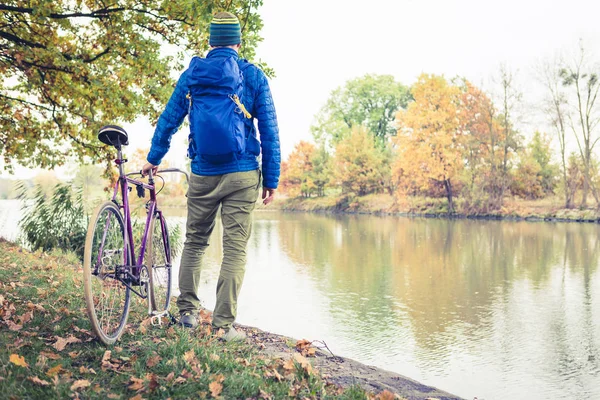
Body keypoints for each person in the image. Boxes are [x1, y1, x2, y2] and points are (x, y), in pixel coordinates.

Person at [141, 11, 280, 341]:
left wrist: (153, 158)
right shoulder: (253, 76)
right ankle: (223, 326)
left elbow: (169, 120)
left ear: (211, 41)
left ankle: (187, 314)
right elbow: (270, 131)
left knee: (195, 242)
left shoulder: (193, 74)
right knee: (234, 250)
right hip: (243, 174)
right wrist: (271, 179)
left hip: (202, 173)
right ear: (238, 41)